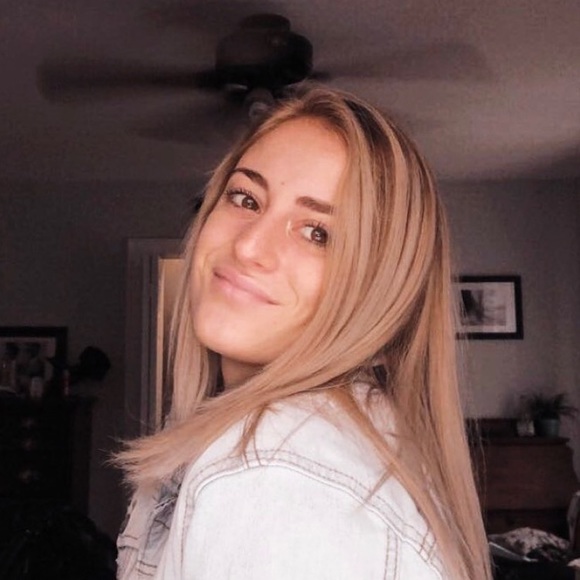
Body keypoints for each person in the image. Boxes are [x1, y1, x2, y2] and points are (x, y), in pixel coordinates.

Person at [115, 85, 492, 579]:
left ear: (381, 293)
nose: (249, 246)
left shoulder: (274, 473)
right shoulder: (294, 450)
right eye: (246, 198)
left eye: (318, 234)